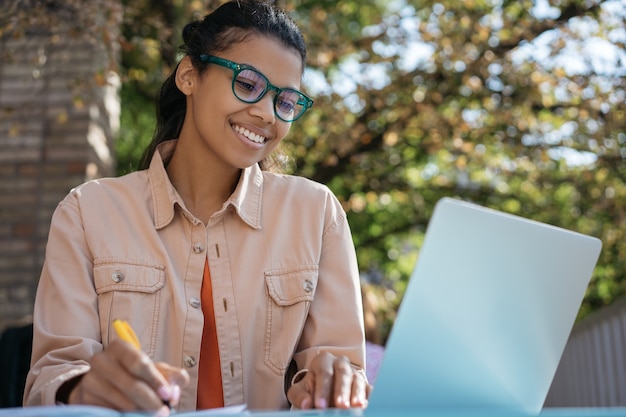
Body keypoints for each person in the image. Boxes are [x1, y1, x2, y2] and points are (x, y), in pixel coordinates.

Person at [23, 0, 369, 413]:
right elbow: (49, 377)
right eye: (248, 84)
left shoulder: (317, 214)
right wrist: (80, 388)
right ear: (189, 75)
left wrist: (330, 385)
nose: (266, 113)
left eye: (287, 101)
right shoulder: (87, 212)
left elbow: (342, 372)